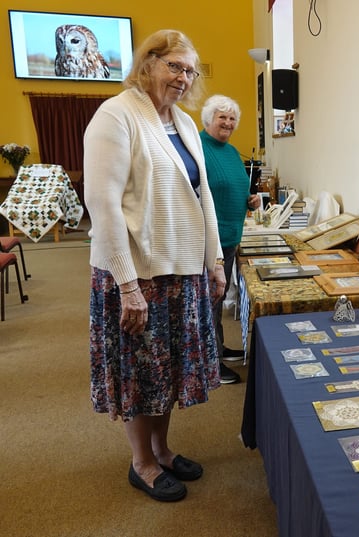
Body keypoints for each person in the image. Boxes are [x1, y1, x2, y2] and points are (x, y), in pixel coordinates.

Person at [84, 29, 224, 502]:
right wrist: (127, 285)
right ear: (148, 64)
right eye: (174, 66)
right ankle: (140, 462)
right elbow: (102, 204)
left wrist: (216, 262)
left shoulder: (183, 123)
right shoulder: (117, 115)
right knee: (142, 375)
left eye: (190, 70)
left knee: (168, 372)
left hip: (180, 272)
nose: (183, 78)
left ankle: (163, 451)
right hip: (137, 273)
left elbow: (201, 195)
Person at [199, 94, 261, 384]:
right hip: (209, 241)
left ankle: (218, 348)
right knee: (210, 300)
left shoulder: (232, 151)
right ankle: (210, 363)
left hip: (231, 237)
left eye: (232, 118)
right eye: (222, 117)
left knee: (219, 297)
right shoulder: (198, 148)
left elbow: (234, 187)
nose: (228, 122)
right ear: (208, 119)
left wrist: (251, 201)